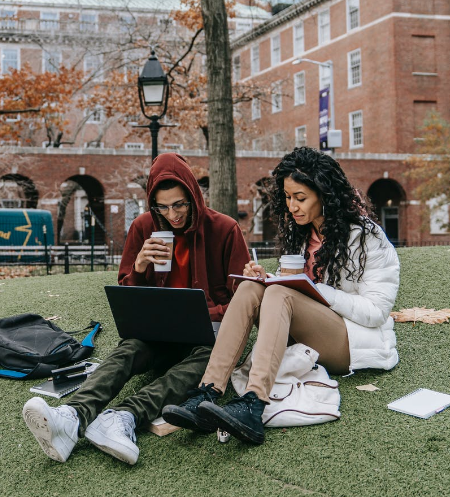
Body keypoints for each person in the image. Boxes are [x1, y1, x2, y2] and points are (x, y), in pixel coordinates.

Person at [21, 153, 250, 465]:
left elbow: (243, 300)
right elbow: (127, 298)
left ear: (194, 196)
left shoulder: (225, 229)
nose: (173, 214)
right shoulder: (143, 227)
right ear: (152, 203)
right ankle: (71, 416)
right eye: (163, 206)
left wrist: (208, 313)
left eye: (180, 204)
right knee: (128, 349)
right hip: (158, 334)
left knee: (205, 361)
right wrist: (140, 267)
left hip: (207, 336)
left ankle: (124, 417)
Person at [162, 146, 400, 445]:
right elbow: (297, 290)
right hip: (306, 331)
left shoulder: (366, 237)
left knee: (279, 295)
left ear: (325, 195)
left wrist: (310, 290)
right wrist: (268, 278)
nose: (292, 206)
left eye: (300, 198)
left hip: (350, 340)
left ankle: (253, 402)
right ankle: (207, 391)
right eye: (287, 198)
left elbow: (376, 311)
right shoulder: (302, 234)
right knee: (251, 287)